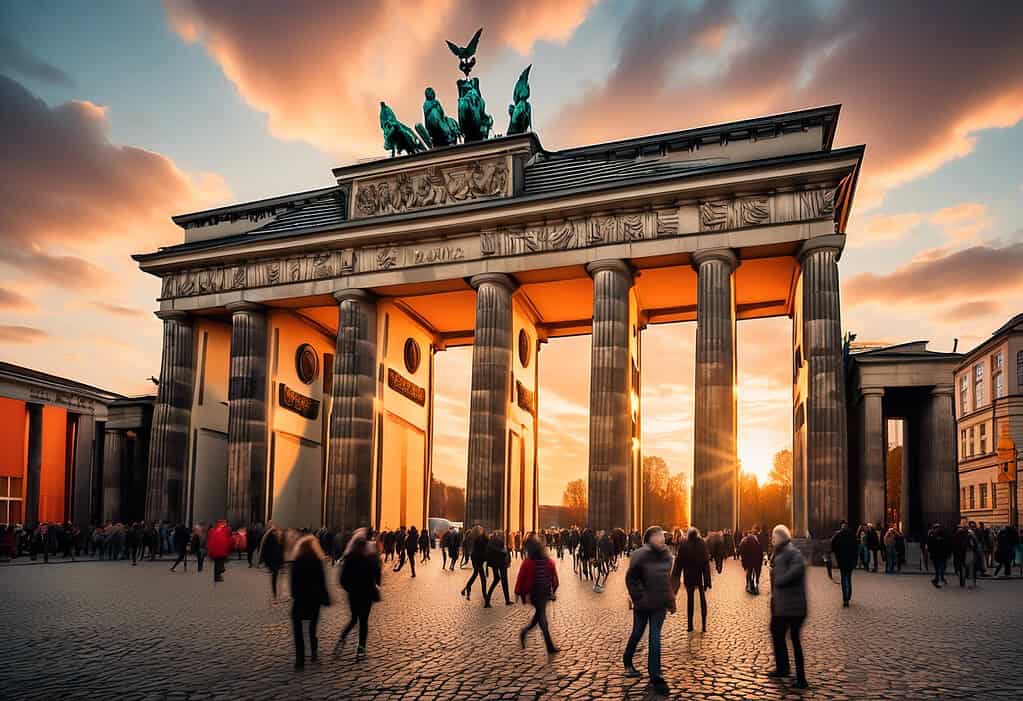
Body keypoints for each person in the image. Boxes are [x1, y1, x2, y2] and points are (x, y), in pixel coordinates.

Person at [624, 526, 674, 697]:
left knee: (655, 637)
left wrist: (670, 600)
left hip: (659, 604)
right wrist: (639, 598)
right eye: (658, 536)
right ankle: (627, 659)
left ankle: (655, 675)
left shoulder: (667, 555)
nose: (662, 538)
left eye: (662, 535)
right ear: (649, 538)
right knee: (637, 633)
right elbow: (630, 578)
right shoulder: (639, 555)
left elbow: (667, 580)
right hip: (643, 604)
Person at [767, 525, 808, 689]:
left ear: (780, 539)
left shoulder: (792, 553)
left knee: (795, 640)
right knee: (777, 633)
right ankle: (783, 667)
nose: (772, 540)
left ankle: (801, 678)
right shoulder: (780, 554)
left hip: (794, 608)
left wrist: (780, 579)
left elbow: (798, 569)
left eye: (774, 538)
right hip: (783, 606)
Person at [337, 528, 381, 660]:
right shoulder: (370, 559)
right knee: (363, 621)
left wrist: (349, 589)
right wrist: (377, 584)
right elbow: (377, 575)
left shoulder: (350, 559)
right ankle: (361, 649)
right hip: (366, 594)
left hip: (354, 594)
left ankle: (343, 636)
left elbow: (342, 580)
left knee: (354, 618)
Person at [289, 535, 330, 670]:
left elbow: (293, 583)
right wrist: (325, 597)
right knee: (312, 629)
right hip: (314, 599)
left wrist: (295, 595)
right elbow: (321, 581)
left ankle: (299, 660)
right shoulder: (317, 561)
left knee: (298, 630)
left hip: (300, 599)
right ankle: (313, 654)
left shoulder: (297, 561)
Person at [514, 535, 560, 655]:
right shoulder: (545, 561)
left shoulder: (528, 562)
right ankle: (549, 647)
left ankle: (524, 631)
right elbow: (555, 579)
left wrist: (518, 593)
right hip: (538, 594)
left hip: (539, 593)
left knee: (538, 617)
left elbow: (520, 578)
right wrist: (553, 590)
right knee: (543, 619)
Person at [672, 527, 711, 633]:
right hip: (699, 576)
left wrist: (675, 580)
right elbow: (706, 563)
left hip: (688, 577)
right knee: (703, 600)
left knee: (690, 601)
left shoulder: (684, 545)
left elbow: (678, 563)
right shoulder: (702, 544)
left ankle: (690, 625)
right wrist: (707, 580)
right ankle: (703, 625)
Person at [830, 521, 858, 606]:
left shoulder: (838, 535)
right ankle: (848, 597)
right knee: (848, 579)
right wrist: (855, 561)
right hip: (849, 561)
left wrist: (836, 555)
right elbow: (855, 549)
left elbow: (832, 545)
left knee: (844, 579)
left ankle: (845, 598)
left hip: (842, 561)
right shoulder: (852, 535)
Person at [485, 530, 513, 607]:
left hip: (494, 563)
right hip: (502, 563)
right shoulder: (499, 541)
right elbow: (504, 551)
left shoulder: (490, 541)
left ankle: (487, 599)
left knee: (496, 579)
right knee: (504, 581)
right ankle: (507, 600)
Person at [461, 526, 488, 601]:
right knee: (482, 578)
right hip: (478, 560)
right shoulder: (479, 539)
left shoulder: (473, 538)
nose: (482, 530)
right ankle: (485, 595)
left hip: (475, 559)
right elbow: (480, 551)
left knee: (475, 575)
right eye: (481, 529)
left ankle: (465, 589)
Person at [260, 525, 285, 598]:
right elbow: (264, 544)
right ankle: (275, 595)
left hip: (279, 559)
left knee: (278, 576)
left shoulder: (281, 537)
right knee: (275, 576)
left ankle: (278, 594)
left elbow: (282, 548)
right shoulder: (270, 537)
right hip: (273, 560)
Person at [740, 526, 765, 595]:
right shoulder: (760, 538)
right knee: (756, 573)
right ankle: (754, 586)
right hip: (756, 560)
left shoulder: (746, 539)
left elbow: (742, 550)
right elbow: (762, 550)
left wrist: (743, 561)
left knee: (750, 572)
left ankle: (749, 586)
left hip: (750, 560)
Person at [927, 522, 949, 587]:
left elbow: (929, 544)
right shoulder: (944, 534)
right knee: (941, 566)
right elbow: (948, 543)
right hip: (942, 553)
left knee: (937, 567)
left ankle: (939, 579)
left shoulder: (932, 534)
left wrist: (930, 552)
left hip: (935, 553)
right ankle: (940, 578)